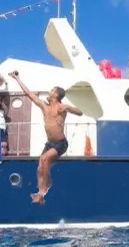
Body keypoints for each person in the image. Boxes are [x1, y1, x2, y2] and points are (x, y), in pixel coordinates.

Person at [8, 70, 83, 204]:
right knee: (39, 167)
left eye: (51, 91)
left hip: (61, 143)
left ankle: (42, 193)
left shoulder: (61, 107)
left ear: (56, 95)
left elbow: (80, 112)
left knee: (44, 159)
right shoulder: (44, 106)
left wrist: (70, 109)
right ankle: (42, 189)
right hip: (50, 143)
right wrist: (17, 79)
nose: (49, 92)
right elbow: (29, 94)